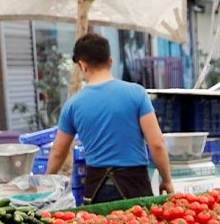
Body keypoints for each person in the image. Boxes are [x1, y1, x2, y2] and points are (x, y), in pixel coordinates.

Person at [46, 33, 173, 203]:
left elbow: (58, 153)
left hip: (97, 190)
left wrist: (45, 182)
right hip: (135, 187)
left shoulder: (72, 105)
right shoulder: (136, 94)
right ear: (110, 62)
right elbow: (157, 144)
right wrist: (166, 179)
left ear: (82, 65)